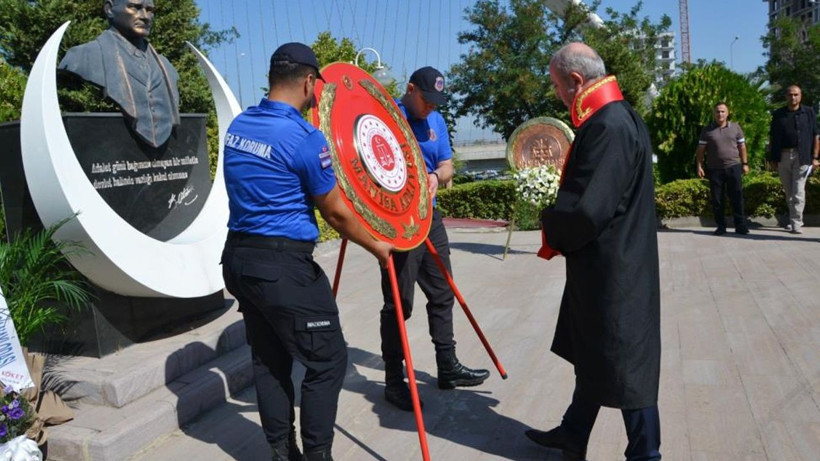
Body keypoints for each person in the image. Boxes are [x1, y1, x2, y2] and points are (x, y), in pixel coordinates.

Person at [220, 42, 393, 461]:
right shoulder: (302, 137)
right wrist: (378, 247)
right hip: (282, 267)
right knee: (328, 360)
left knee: (269, 359)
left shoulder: (239, 126)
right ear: (309, 82)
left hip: (239, 259)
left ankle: (282, 453)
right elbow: (335, 212)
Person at [525, 43, 662, 461]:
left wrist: (550, 223)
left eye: (556, 86)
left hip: (614, 270)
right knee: (598, 354)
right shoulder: (621, 117)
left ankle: (646, 453)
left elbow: (587, 210)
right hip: (614, 261)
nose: (557, 95)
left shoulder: (607, 125)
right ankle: (573, 432)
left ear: (577, 81)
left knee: (625, 363)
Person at [378, 66, 489, 411]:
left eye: (436, 102)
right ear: (410, 89)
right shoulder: (386, 117)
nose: (430, 108)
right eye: (426, 100)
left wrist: (437, 177)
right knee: (400, 304)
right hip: (397, 224)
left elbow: (448, 166)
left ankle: (447, 367)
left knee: (443, 293)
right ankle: (395, 381)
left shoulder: (436, 121)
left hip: (430, 218)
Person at [58, 0, 180, 148]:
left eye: (149, 10)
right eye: (135, 7)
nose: (145, 16)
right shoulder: (82, 57)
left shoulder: (166, 66)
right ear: (109, 9)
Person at [767, 85, 820, 234]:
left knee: (798, 190)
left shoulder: (808, 112)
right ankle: (794, 220)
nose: (793, 98)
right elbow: (772, 137)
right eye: (790, 95)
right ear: (786, 97)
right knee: (789, 191)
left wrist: (815, 157)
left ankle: (796, 224)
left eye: (796, 95)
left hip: (802, 156)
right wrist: (772, 157)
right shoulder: (778, 114)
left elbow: (816, 135)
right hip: (783, 156)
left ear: (801, 96)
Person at [696, 102, 750, 235]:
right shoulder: (707, 130)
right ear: (714, 113)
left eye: (722, 111)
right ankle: (721, 226)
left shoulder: (736, 127)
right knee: (717, 200)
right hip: (715, 170)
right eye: (717, 112)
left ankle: (740, 226)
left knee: (737, 197)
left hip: (734, 167)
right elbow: (701, 150)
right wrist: (699, 165)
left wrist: (745, 163)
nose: (720, 114)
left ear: (727, 113)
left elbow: (742, 147)